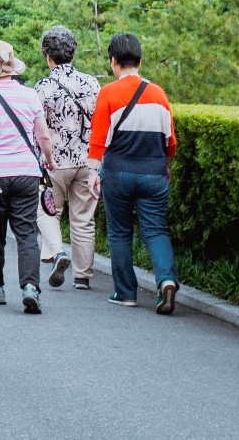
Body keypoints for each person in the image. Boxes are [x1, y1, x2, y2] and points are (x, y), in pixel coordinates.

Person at [88, 31, 179, 314]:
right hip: (153, 174)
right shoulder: (159, 94)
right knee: (155, 231)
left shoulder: (109, 93)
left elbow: (98, 139)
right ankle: (166, 280)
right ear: (140, 61)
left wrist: (93, 173)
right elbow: (170, 141)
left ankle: (126, 292)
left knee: (119, 232)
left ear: (114, 61)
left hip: (118, 173)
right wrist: (166, 169)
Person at [0, 39, 55, 314]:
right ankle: (30, 287)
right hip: (27, 173)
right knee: (27, 233)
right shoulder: (30, 96)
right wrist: (48, 162)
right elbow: (43, 135)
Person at [34, 25, 101, 291]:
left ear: (48, 56)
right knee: (83, 217)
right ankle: (83, 276)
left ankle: (58, 253)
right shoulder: (92, 83)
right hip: (87, 161)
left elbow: (36, 127)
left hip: (54, 161)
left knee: (48, 211)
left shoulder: (43, 87)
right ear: (72, 53)